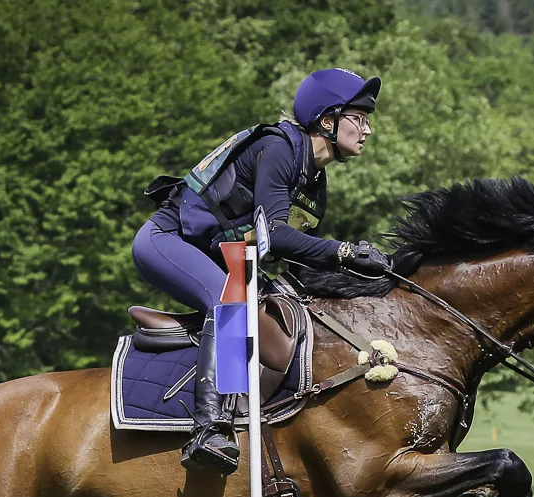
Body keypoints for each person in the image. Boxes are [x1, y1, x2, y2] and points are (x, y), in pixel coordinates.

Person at [132, 68, 392, 475]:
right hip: (167, 240)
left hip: (226, 257)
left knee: (284, 309)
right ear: (328, 119)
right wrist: (344, 252)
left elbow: (301, 261)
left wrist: (369, 277)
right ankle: (208, 428)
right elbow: (279, 236)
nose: (367, 129)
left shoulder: (314, 181)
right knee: (228, 298)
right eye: (358, 118)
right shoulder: (279, 149)